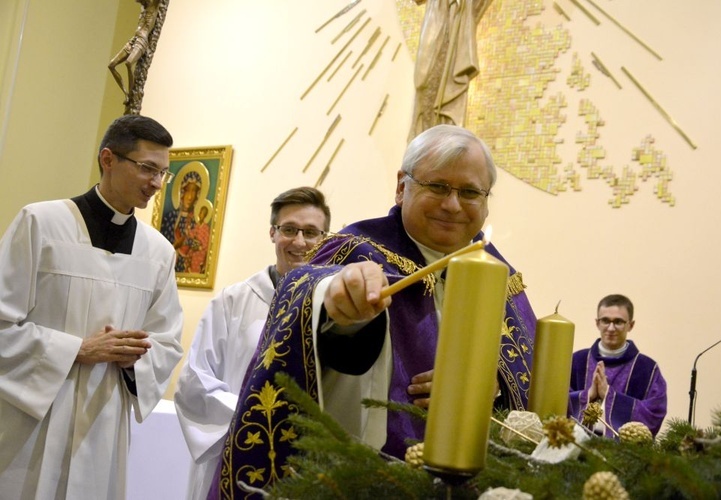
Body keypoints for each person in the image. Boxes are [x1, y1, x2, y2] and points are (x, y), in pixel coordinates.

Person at [210, 124, 536, 497]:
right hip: (373, 476)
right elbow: (314, 300)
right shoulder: (356, 251)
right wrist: (339, 309)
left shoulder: (501, 275)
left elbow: (528, 378)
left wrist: (489, 386)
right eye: (438, 187)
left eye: (469, 192)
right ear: (402, 186)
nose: (452, 204)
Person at [0, 114, 184, 498]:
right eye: (147, 168)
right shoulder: (41, 223)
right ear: (108, 159)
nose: (155, 183)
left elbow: (166, 342)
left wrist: (137, 358)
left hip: (104, 422)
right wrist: (77, 350)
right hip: (32, 421)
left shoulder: (159, 253)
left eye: (163, 173)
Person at [175, 187, 331, 500]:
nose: (299, 242)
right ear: (273, 233)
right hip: (236, 453)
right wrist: (258, 419)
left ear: (325, 238)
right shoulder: (233, 301)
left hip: (306, 462)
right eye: (289, 229)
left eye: (311, 232)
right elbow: (195, 383)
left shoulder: (333, 306)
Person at [568, 294, 667, 438]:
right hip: (576, 449)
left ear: (630, 325)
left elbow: (654, 413)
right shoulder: (577, 360)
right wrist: (587, 395)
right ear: (597, 323)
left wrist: (609, 395)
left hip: (622, 454)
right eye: (605, 321)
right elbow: (556, 404)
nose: (611, 328)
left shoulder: (647, 369)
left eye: (618, 322)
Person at [409, 0, 493, 140]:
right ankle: (421, 140)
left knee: (447, 86)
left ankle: (443, 141)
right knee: (424, 83)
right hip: (435, 16)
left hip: (457, 19)